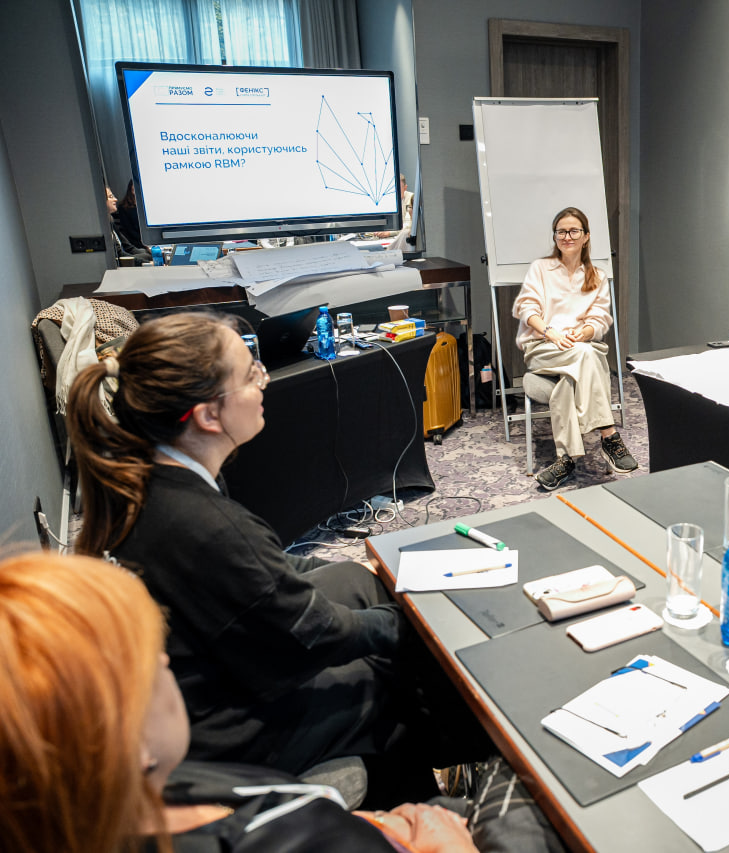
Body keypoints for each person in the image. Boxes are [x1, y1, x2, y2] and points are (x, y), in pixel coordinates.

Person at [66, 312, 481, 782]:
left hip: (202, 676)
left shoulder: (145, 479)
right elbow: (314, 634)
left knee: (353, 579)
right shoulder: (207, 524)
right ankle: (445, 781)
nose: (263, 381)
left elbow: (261, 570)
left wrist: (372, 581)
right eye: (251, 374)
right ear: (208, 415)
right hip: (223, 729)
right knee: (392, 674)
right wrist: (417, 624)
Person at [0, 552, 561, 853]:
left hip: (388, 824)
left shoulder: (156, 790)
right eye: (153, 658)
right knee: (535, 761)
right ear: (124, 731)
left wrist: (377, 822)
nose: (169, 662)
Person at [513, 206, 638, 490]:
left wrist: (583, 333)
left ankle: (566, 460)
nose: (567, 237)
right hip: (543, 347)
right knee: (587, 354)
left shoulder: (597, 275)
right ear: (554, 236)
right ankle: (609, 435)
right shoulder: (541, 269)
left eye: (573, 231)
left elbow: (599, 319)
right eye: (561, 232)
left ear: (586, 236)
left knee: (568, 381)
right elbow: (527, 309)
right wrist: (552, 332)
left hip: (579, 350)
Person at [107, 184, 149, 263]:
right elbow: (120, 255)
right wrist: (146, 263)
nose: (115, 199)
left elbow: (128, 247)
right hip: (120, 263)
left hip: (128, 254)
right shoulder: (104, 227)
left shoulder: (111, 221)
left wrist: (150, 252)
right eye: (110, 197)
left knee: (149, 254)